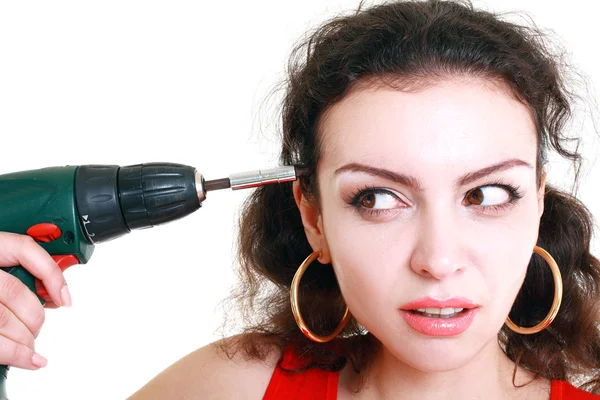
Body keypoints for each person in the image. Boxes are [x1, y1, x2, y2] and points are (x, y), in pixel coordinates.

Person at [1, 0, 599, 398]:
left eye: (488, 193)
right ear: (314, 216)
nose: (438, 260)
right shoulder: (231, 388)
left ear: (538, 202)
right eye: (378, 198)